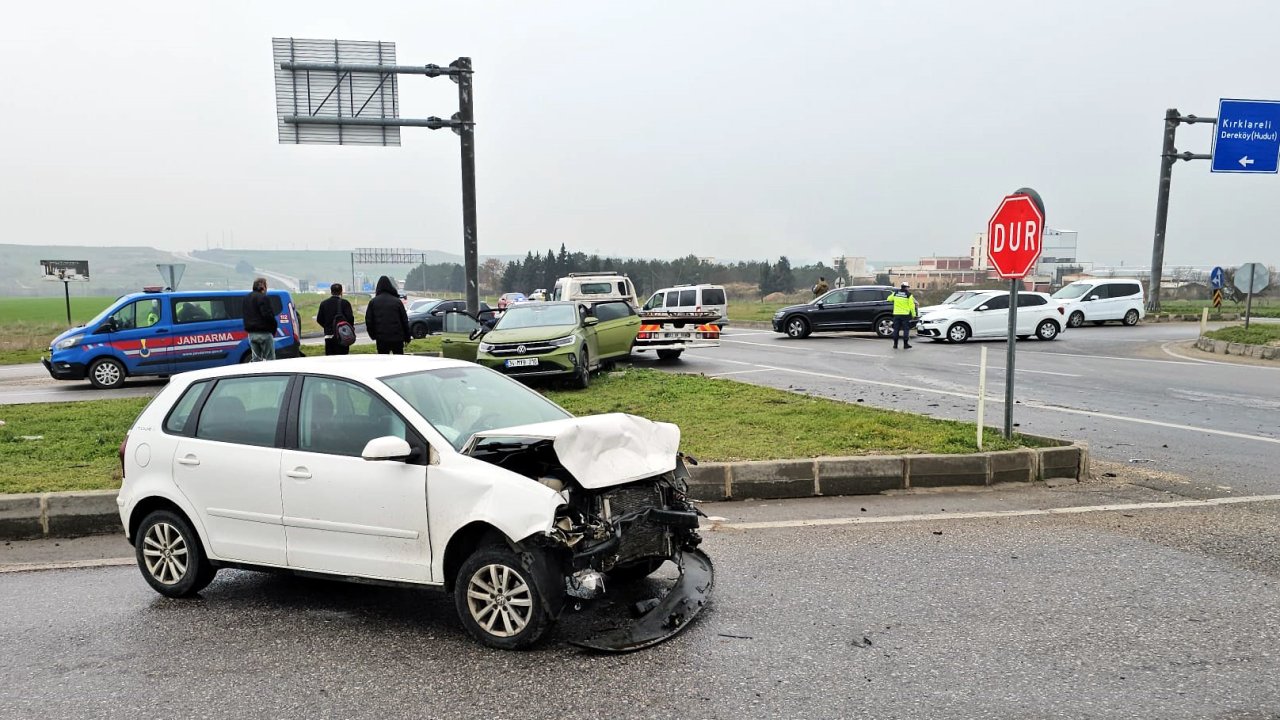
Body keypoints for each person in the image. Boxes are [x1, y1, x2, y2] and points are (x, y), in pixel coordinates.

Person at [365, 275, 411, 355]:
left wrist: (373, 335)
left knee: (383, 362)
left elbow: (369, 321)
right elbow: (404, 320)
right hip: (397, 337)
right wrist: (407, 337)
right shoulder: (397, 301)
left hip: (381, 338)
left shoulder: (373, 302)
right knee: (399, 360)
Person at [242, 277, 277, 361]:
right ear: (263, 287)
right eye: (266, 286)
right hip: (264, 333)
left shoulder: (246, 298)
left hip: (251, 334)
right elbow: (268, 315)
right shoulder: (263, 298)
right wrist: (273, 328)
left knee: (256, 359)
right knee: (270, 359)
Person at [316, 283, 356, 356]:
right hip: (343, 335)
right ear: (341, 292)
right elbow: (350, 318)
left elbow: (319, 319)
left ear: (331, 292)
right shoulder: (345, 303)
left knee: (330, 360)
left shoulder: (324, 303)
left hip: (329, 336)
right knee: (342, 358)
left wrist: (327, 327)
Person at [887, 282, 918, 349]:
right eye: (908, 287)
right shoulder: (909, 295)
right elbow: (912, 306)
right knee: (906, 330)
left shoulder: (896, 293)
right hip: (905, 315)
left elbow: (889, 299)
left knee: (896, 329)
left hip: (896, 314)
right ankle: (905, 344)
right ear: (906, 287)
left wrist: (893, 295)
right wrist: (914, 314)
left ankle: (895, 345)